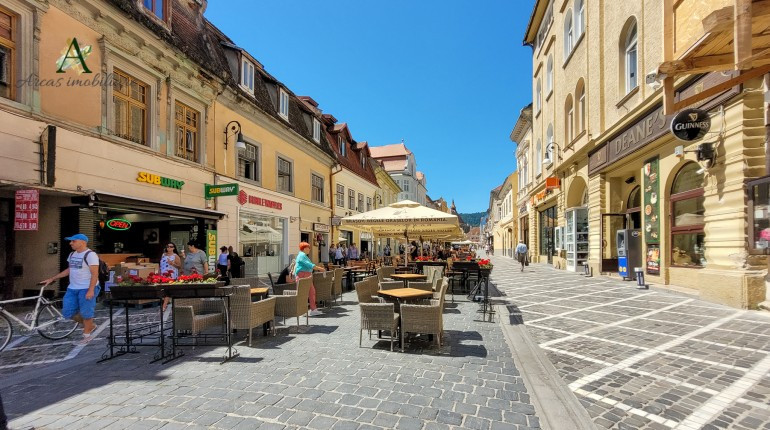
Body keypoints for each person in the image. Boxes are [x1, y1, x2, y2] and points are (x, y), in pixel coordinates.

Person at [41, 233, 100, 344]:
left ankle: (86, 336)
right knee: (67, 312)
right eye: (71, 241)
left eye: (73, 241)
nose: (70, 243)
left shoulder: (91, 255)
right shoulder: (72, 254)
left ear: (83, 242)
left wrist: (91, 290)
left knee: (86, 312)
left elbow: (94, 274)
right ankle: (90, 325)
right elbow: (69, 270)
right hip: (72, 288)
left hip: (86, 287)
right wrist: (52, 278)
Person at [294, 242, 325, 316]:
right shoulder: (302, 255)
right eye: (309, 248)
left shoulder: (302, 255)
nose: (310, 249)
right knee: (304, 293)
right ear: (304, 248)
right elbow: (310, 265)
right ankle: (304, 311)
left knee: (311, 292)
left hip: (305, 275)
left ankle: (312, 309)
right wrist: (320, 268)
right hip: (303, 275)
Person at [160, 242, 181, 311]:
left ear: (174, 248)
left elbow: (179, 266)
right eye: (168, 246)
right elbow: (161, 265)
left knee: (168, 291)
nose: (169, 248)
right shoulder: (163, 255)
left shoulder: (175, 256)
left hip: (171, 275)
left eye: (171, 246)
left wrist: (172, 263)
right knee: (163, 290)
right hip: (163, 275)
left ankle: (164, 306)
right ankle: (166, 303)